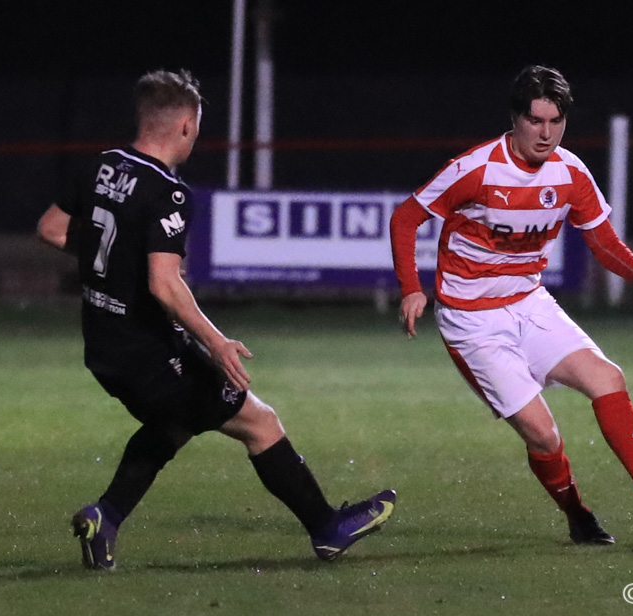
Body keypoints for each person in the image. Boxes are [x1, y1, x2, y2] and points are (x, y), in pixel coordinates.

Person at [37, 69, 395, 570]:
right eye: (198, 127)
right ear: (186, 125)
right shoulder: (168, 191)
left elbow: (51, 229)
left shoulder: (101, 166)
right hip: (147, 350)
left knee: (176, 423)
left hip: (101, 344)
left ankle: (106, 518)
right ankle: (326, 528)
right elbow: (165, 283)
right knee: (260, 422)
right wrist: (217, 341)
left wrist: (115, 264)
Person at [390, 65, 633, 544]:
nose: (546, 133)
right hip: (473, 322)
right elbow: (406, 218)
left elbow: (601, 238)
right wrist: (411, 286)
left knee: (608, 378)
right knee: (545, 437)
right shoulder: (477, 169)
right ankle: (577, 515)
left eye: (556, 121)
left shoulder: (570, 172)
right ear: (515, 119)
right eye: (536, 121)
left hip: (530, 302)